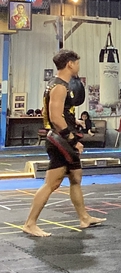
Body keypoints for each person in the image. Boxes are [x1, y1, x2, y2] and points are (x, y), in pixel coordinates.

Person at [23, 51, 103, 237]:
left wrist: (75, 122)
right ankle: (30, 223)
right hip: (60, 140)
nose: (78, 66)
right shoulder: (59, 86)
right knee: (52, 183)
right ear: (70, 64)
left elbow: (63, 114)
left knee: (75, 177)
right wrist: (73, 140)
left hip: (62, 138)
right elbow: (55, 118)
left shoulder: (59, 84)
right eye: (77, 63)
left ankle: (84, 218)